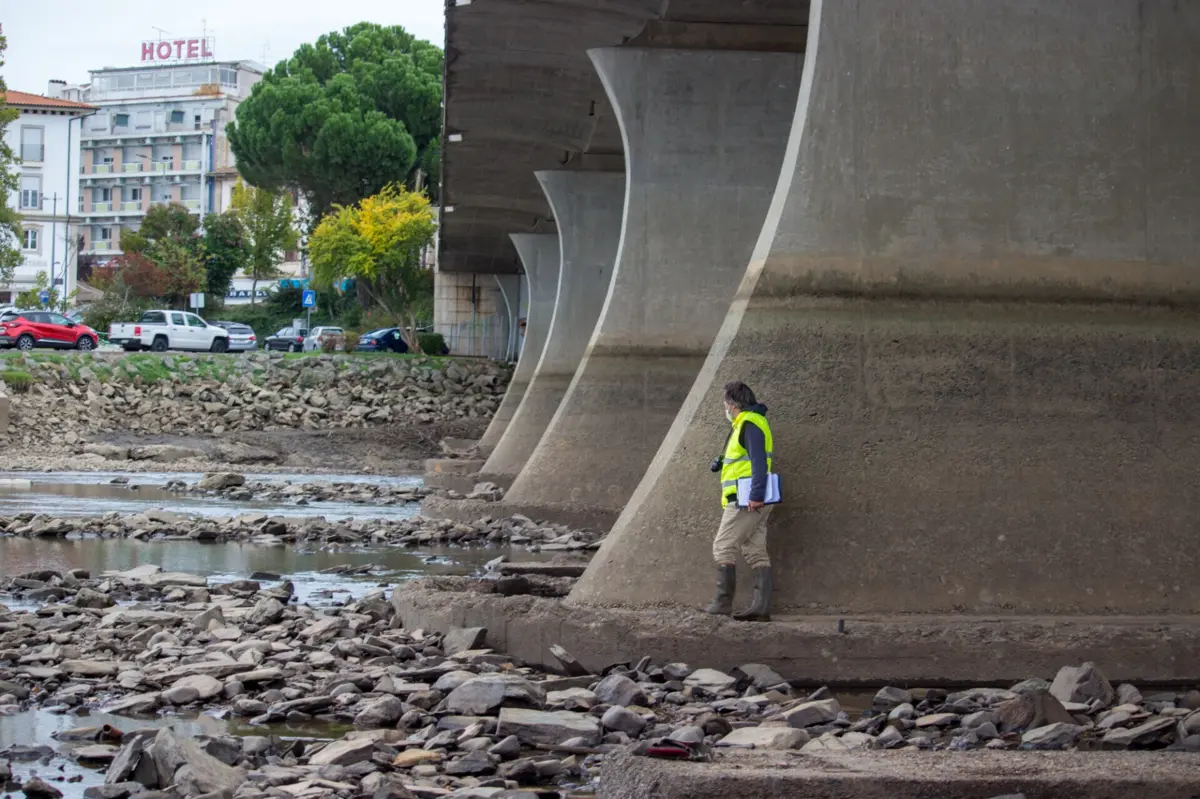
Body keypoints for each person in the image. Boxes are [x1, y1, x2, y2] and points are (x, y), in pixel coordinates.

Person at [704, 381, 775, 622]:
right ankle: (761, 608)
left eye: (725, 402)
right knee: (756, 551)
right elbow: (745, 459)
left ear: (733, 404)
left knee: (723, 546)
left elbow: (758, 462)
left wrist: (755, 495)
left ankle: (722, 603)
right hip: (755, 499)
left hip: (746, 499)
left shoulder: (749, 424)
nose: (724, 407)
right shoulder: (748, 423)